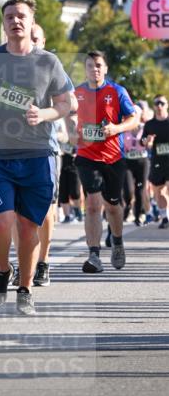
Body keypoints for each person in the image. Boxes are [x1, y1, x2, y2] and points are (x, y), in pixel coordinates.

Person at [0, 0, 73, 315]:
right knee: (1, 222)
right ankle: (3, 270)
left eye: (21, 17)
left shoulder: (48, 62)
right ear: (3, 23)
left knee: (29, 227)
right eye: (10, 17)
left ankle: (26, 288)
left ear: (32, 23)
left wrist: (43, 114)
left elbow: (66, 103)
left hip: (36, 156)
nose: (15, 21)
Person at [74, 50, 139, 274]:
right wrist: (72, 132)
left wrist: (116, 128)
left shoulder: (117, 91)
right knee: (92, 205)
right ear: (86, 69)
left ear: (106, 68)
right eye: (91, 65)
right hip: (86, 156)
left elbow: (133, 119)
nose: (95, 69)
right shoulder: (78, 92)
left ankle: (118, 242)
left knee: (112, 206)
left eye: (99, 65)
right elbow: (68, 115)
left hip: (113, 157)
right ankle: (94, 254)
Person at [142, 94, 169, 229]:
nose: (159, 106)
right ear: (153, 106)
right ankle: (164, 217)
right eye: (157, 103)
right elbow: (143, 141)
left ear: (167, 105)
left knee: (166, 191)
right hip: (157, 161)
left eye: (162, 103)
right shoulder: (149, 124)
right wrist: (148, 142)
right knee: (158, 192)